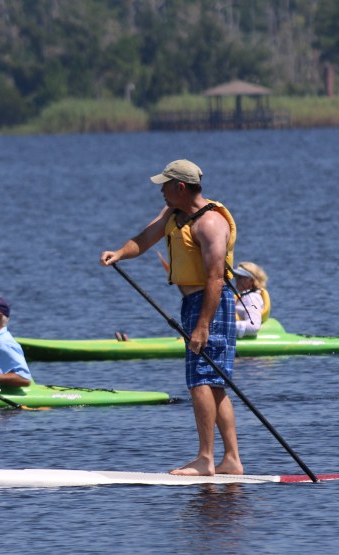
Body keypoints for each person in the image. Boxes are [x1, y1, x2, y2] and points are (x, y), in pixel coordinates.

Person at [100, 159, 243, 477]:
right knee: (214, 384)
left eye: (165, 185)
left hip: (211, 306)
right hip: (193, 304)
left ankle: (206, 459)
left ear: (180, 187)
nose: (160, 191)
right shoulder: (173, 215)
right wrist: (119, 253)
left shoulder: (211, 224)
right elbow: (144, 239)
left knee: (202, 382)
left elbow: (216, 278)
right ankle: (231, 459)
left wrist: (203, 325)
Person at [233, 262, 271, 338]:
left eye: (240, 277)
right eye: (236, 276)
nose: (237, 279)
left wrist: (223, 328)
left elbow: (253, 326)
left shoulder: (251, 298)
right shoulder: (245, 296)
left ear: (251, 281)